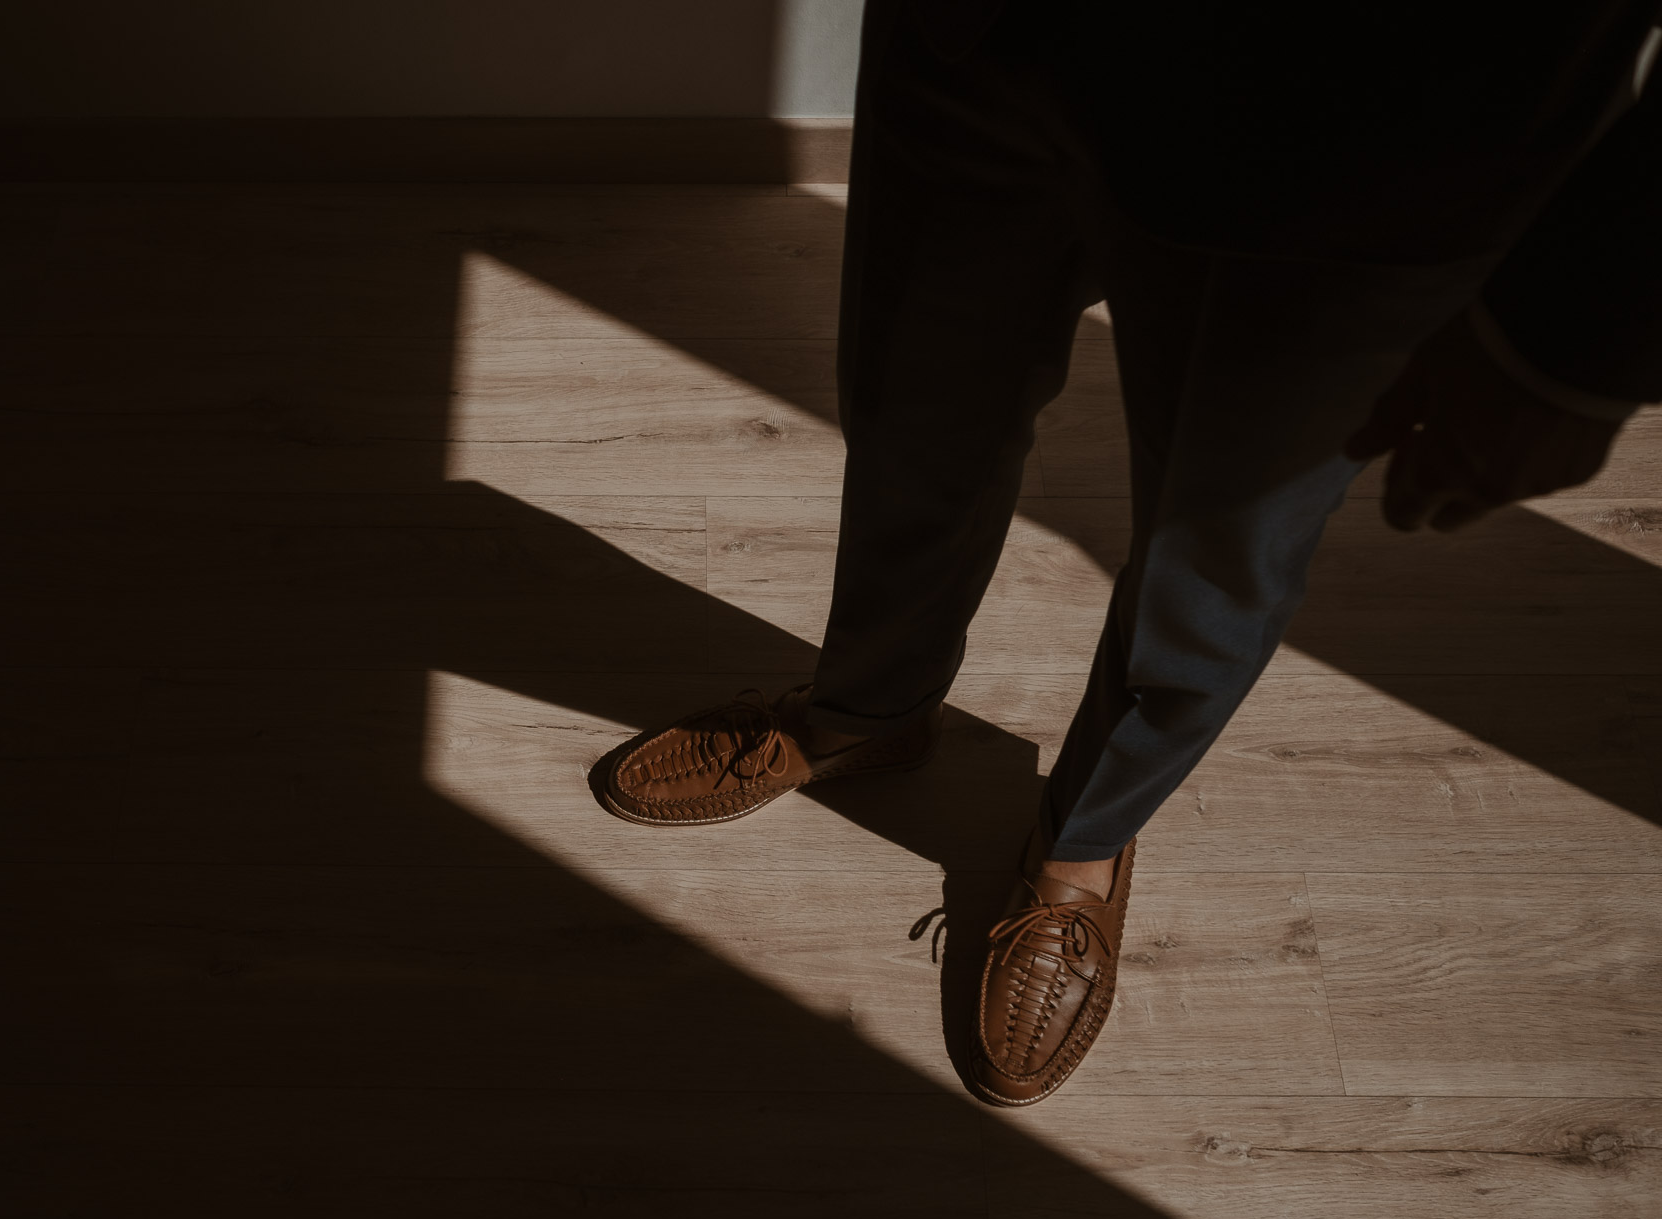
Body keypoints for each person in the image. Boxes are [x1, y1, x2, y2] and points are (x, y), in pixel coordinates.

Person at [596, 0, 1662, 1106]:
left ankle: (1082, 845)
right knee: (913, 419)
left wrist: (1582, 340)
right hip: (976, 40)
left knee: (1213, 556)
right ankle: (868, 707)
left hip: (1369, 125)